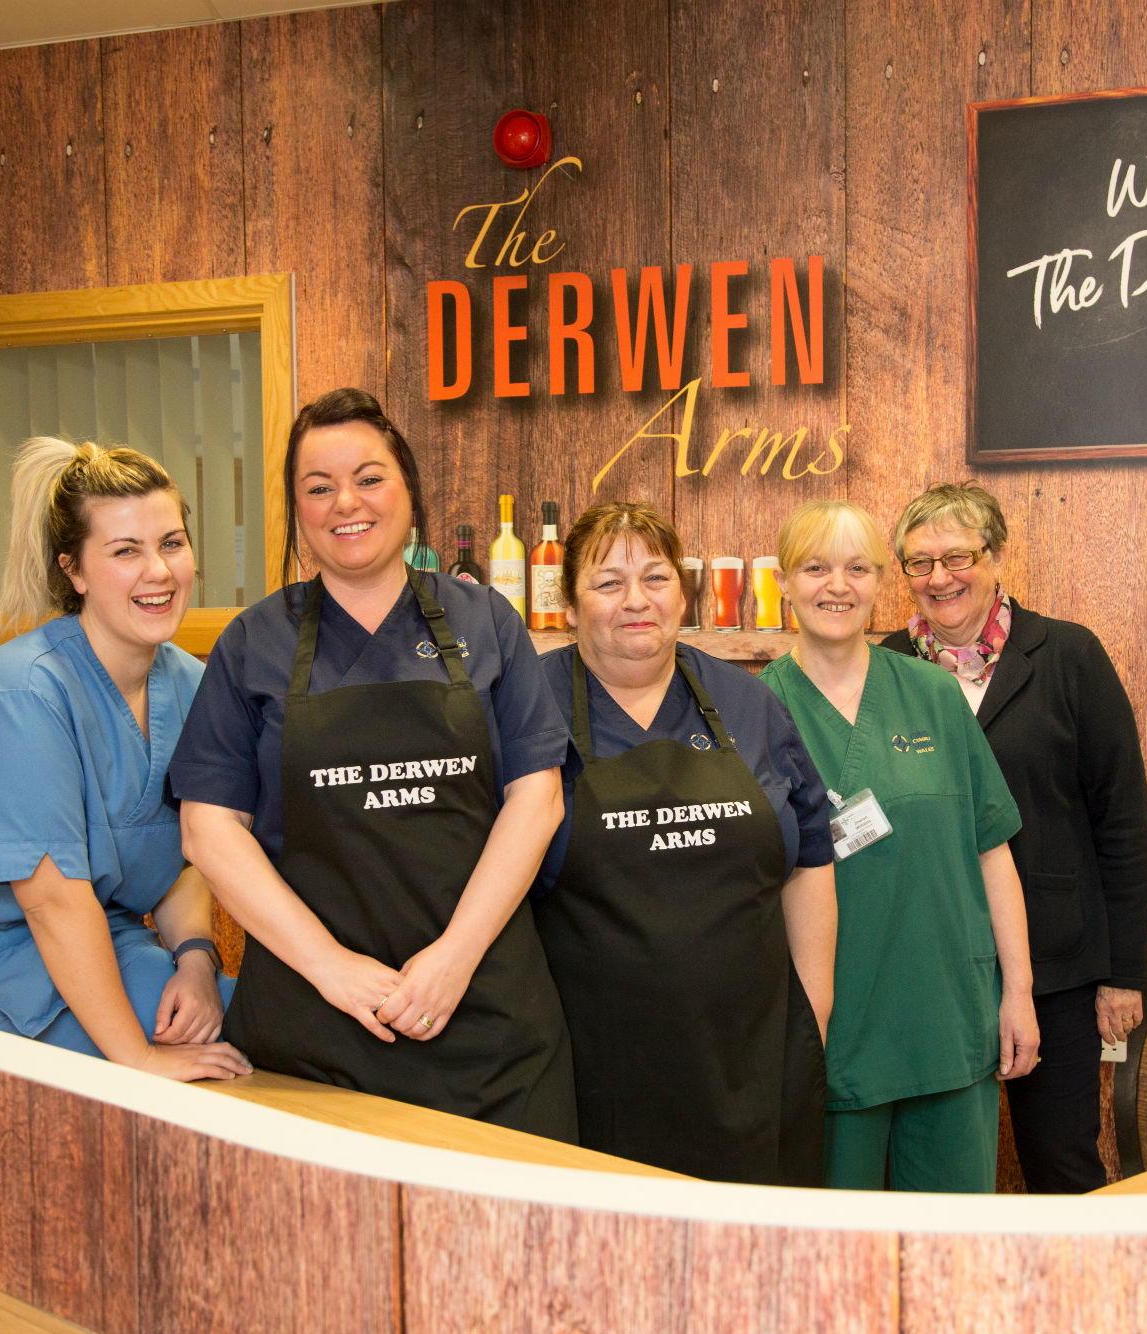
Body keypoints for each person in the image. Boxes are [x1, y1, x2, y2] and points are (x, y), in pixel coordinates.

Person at [172, 388, 576, 1139]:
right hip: (311, 1034)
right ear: (297, 512)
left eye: (368, 477)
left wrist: (454, 957)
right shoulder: (252, 643)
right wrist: (329, 966)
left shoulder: (485, 621)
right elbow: (208, 830)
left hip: (484, 1022)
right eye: (317, 488)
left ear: (409, 494)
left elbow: (537, 799)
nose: (344, 503)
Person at [0, 438, 249, 1082]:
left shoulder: (192, 685)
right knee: (213, 1081)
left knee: (257, 1025)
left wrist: (194, 958)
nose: (158, 571)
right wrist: (139, 1061)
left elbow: (190, 850)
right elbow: (51, 901)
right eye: (125, 551)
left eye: (172, 543)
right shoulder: (21, 695)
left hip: (102, 944)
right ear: (72, 571)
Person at [533, 501, 837, 1185]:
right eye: (608, 583)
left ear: (684, 591)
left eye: (656, 578)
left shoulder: (748, 702)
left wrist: (810, 1019)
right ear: (571, 602)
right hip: (589, 1077)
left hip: (753, 1069)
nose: (635, 600)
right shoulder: (531, 704)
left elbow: (812, 857)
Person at [880, 482, 1147, 1193]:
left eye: (957, 556)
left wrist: (1123, 974)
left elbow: (1121, 820)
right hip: (930, 965)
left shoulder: (1068, 656)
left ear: (997, 556)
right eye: (919, 563)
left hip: (1058, 965)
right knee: (931, 1166)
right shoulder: (884, 668)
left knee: (1061, 1164)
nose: (940, 578)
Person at [760, 499, 1037, 1193]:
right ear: (786, 582)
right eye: (816, 567)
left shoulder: (934, 695)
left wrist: (1019, 993)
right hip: (833, 1030)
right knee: (833, 1263)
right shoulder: (755, 713)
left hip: (947, 1018)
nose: (837, 585)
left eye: (857, 568)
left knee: (954, 1256)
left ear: (879, 582)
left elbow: (991, 851)